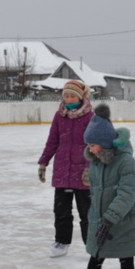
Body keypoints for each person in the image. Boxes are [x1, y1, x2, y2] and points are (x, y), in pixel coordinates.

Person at [68, 104, 135, 269]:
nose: (90, 149)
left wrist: (110, 218)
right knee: (95, 259)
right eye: (88, 144)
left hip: (123, 221)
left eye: (93, 144)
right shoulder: (97, 162)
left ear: (106, 143)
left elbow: (126, 195)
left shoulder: (127, 162)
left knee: (126, 260)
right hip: (100, 220)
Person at [37, 80, 94, 258]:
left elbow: (94, 145)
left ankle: (92, 243)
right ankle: (61, 242)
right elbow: (52, 141)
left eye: (72, 96)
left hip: (83, 172)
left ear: (81, 96)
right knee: (61, 210)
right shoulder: (59, 116)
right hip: (62, 171)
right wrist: (43, 162)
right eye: (66, 96)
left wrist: (89, 168)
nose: (69, 99)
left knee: (87, 212)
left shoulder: (90, 117)